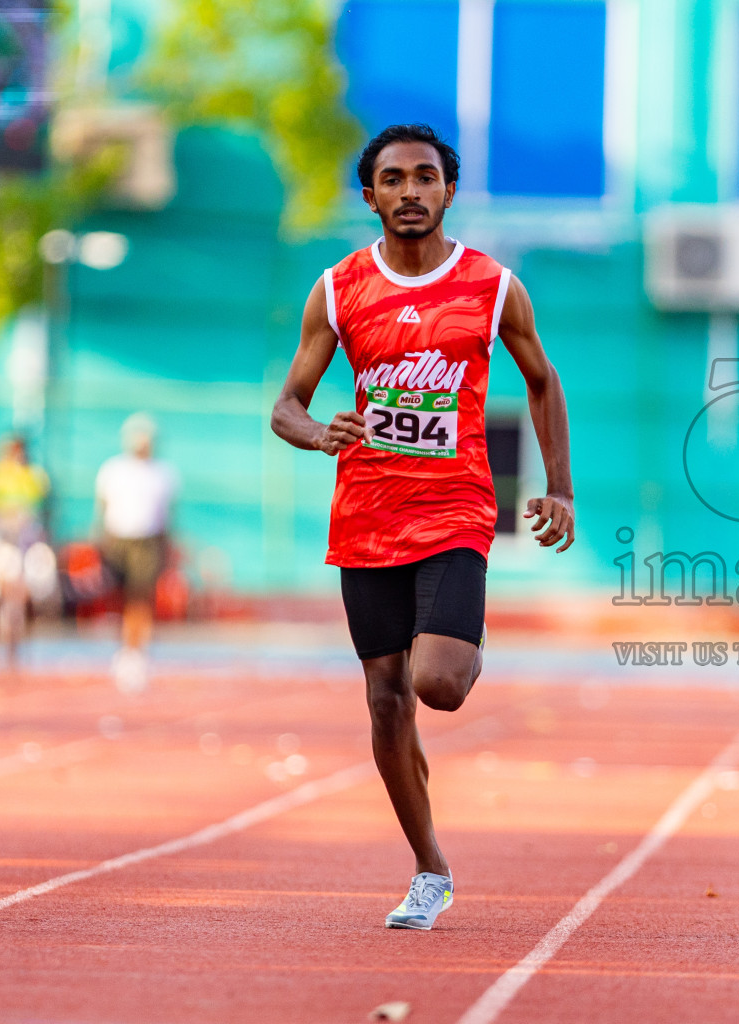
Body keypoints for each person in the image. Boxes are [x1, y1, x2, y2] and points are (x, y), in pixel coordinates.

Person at [269, 123, 574, 931]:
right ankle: (429, 866)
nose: (411, 191)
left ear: (448, 190)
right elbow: (286, 405)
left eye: (426, 177)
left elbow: (542, 381)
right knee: (382, 702)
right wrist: (316, 431)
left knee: (436, 683)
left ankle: (457, 634)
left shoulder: (492, 285)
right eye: (394, 179)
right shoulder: (338, 289)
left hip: (455, 510)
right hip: (367, 516)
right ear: (369, 196)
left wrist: (560, 489)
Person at [95, 413, 177, 693]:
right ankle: (125, 649)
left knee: (140, 597)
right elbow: (103, 508)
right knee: (118, 598)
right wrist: (101, 542)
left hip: (147, 541)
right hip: (118, 540)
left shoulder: (163, 473)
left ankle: (137, 653)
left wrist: (168, 547)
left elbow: (168, 515)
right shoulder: (113, 469)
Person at [0, 435, 49, 669]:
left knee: (23, 595)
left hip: (27, 543)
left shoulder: (35, 476)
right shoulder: (2, 474)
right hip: (5, 542)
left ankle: (16, 648)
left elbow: (43, 509)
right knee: (6, 590)